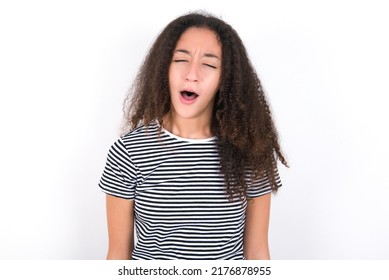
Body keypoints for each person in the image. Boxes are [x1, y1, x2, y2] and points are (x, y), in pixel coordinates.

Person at [99, 11, 288, 260]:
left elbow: (257, 254)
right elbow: (118, 257)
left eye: (209, 64)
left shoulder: (251, 150)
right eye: (181, 60)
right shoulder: (128, 152)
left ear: (226, 79)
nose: (192, 74)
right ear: (163, 68)